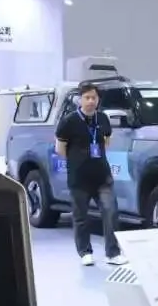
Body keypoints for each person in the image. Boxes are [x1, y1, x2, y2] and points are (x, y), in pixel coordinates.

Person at [54, 83, 126, 266]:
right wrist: (78, 160)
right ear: (80, 99)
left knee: (111, 212)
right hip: (79, 179)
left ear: (98, 100)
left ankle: (113, 253)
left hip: (102, 177)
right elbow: (60, 149)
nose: (91, 101)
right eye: (87, 97)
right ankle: (85, 252)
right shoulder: (69, 121)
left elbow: (106, 143)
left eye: (94, 97)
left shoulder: (102, 119)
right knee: (81, 217)